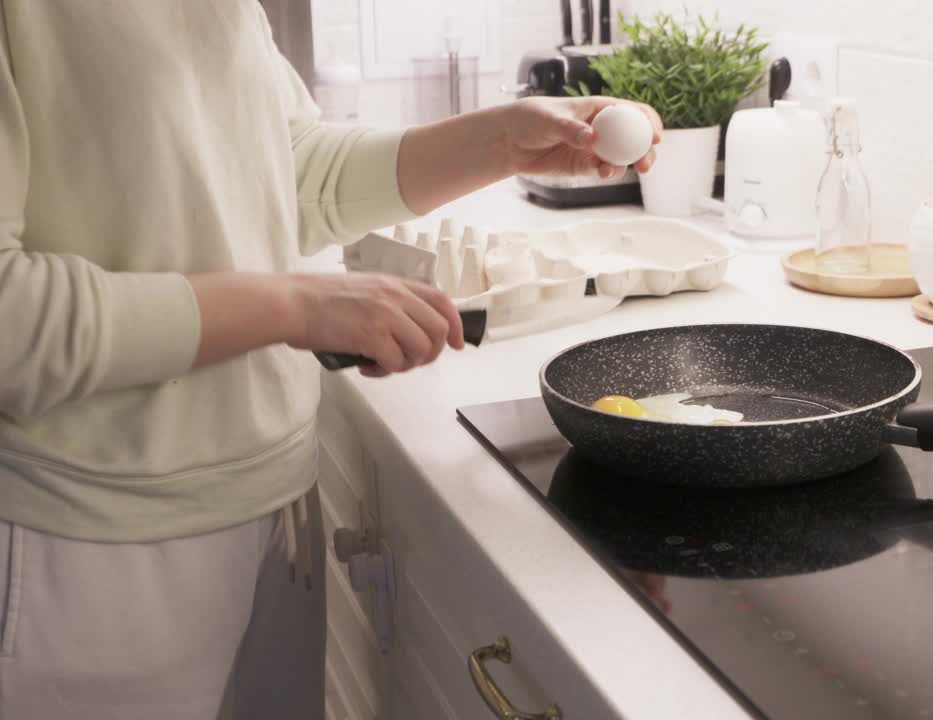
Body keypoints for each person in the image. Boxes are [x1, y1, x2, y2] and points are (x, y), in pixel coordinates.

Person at [0, 2, 661, 718]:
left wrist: (503, 142)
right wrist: (298, 306)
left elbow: (287, 170)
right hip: (94, 549)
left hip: (276, 505)